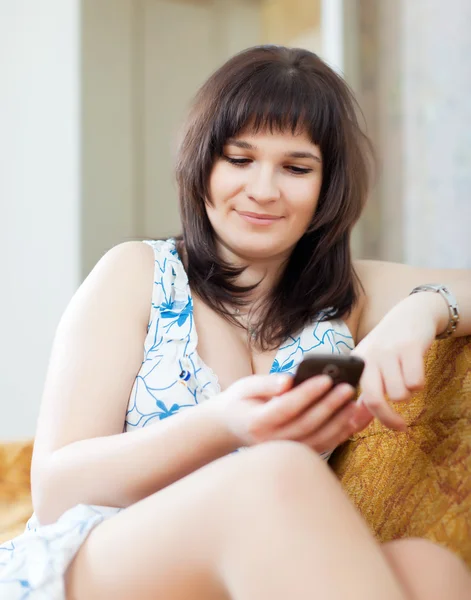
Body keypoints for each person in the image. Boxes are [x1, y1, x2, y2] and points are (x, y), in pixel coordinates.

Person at [0, 45, 470, 600]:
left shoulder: (344, 296)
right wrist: (223, 425)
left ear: (328, 188)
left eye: (296, 168)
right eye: (239, 159)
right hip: (98, 558)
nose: (264, 190)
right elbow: (56, 489)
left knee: (425, 568)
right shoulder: (137, 273)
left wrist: (423, 309)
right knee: (274, 474)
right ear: (203, 165)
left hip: (243, 574)